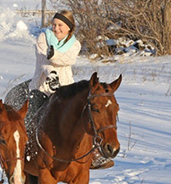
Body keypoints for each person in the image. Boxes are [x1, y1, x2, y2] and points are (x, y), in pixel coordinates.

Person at [7, 10, 114, 169]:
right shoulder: (43, 37)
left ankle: (94, 154)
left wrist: (54, 54)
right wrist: (51, 75)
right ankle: (21, 155)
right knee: (30, 117)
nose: (56, 28)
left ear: (69, 28)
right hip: (42, 87)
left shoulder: (75, 44)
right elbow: (44, 61)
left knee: (85, 116)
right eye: (54, 24)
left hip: (65, 90)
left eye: (60, 25)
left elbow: (68, 59)